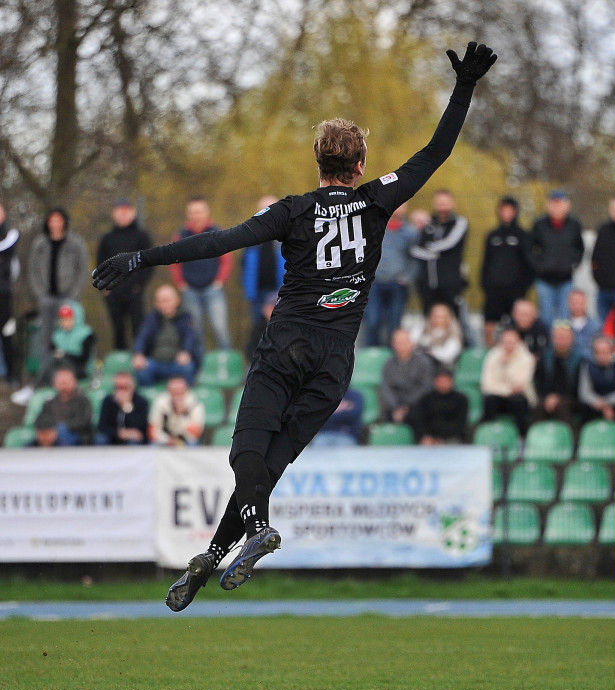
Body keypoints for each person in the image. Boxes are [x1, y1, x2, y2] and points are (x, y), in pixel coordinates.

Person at [92, 41, 496, 611]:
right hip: (335, 360)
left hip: (286, 346)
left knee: (246, 454)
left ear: (318, 163)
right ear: (358, 167)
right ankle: (215, 554)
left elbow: (220, 241)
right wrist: (464, 87)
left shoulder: (292, 210)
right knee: (272, 463)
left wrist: (144, 258)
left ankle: (244, 536)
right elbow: (434, 152)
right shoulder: (378, 200)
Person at [27, 208, 89, 385]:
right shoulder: (40, 244)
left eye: (58, 220)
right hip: (47, 298)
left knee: (69, 335)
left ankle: (71, 375)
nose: (55, 224)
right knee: (46, 338)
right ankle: (45, 376)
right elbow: (32, 270)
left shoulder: (75, 243)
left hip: (68, 298)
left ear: (64, 222)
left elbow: (82, 269)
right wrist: (40, 293)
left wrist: (74, 294)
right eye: (51, 220)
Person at [169, 197, 233, 350]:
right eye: (192, 212)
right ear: (187, 214)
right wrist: (180, 283)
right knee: (195, 332)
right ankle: (200, 368)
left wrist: (220, 281)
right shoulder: (181, 235)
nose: (196, 215)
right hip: (190, 290)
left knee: (220, 329)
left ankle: (227, 365)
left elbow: (227, 260)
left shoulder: (217, 232)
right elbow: (173, 261)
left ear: (207, 212)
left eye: (199, 211)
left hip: (213, 289)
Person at [96, 198, 153, 350]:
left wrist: (139, 285)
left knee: (138, 328)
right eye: (120, 211)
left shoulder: (142, 236)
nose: (123, 214)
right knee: (118, 330)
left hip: (134, 291)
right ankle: (120, 365)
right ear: (114, 214)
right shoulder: (107, 239)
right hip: (113, 292)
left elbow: (149, 264)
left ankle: (140, 359)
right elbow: (100, 263)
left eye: (126, 211)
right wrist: (105, 286)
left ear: (133, 213)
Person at [362, 203, 418, 347]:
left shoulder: (410, 233)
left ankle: (392, 357)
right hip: (375, 283)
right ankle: (372, 354)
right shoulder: (374, 228)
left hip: (397, 283)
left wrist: (407, 277)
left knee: (394, 323)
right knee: (372, 321)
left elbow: (415, 259)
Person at [481, 196, 533, 347]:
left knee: (517, 325)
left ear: (515, 212)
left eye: (509, 210)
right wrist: (485, 285)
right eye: (503, 210)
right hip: (494, 290)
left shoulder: (523, 236)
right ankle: (490, 353)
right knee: (489, 324)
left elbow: (528, 264)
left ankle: (517, 353)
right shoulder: (492, 235)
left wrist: (523, 288)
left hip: (515, 290)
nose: (506, 213)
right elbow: (486, 262)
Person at [529, 189, 585, 327]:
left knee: (565, 317)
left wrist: (574, 264)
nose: (556, 207)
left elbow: (580, 247)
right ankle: (547, 347)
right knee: (546, 317)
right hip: (544, 280)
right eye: (553, 203)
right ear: (548, 205)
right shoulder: (539, 225)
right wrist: (538, 266)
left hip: (566, 279)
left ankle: (563, 347)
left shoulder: (574, 225)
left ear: (567, 205)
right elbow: (530, 248)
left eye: (560, 203)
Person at [133, 284, 203, 386]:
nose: (163, 304)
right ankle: (150, 397)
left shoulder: (186, 318)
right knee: (141, 369)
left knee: (187, 367)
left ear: (177, 301)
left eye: (167, 300)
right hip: (155, 363)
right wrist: (138, 354)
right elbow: (141, 338)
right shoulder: (150, 319)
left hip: (177, 364)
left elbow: (190, 338)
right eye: (160, 301)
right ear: (156, 303)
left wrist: (186, 352)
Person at [412, 189, 468, 316]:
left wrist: (429, 249)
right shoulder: (427, 223)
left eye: (445, 203)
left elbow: (449, 243)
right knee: (429, 319)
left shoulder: (460, 222)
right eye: (439, 203)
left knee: (457, 320)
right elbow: (414, 248)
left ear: (452, 203)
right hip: (427, 284)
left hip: (451, 283)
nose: (442, 206)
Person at [481, 327, 537, 436]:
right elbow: (487, 385)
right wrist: (508, 389)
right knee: (490, 400)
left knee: (517, 400)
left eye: (512, 342)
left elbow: (520, 384)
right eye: (505, 342)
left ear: (519, 342)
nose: (508, 345)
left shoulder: (527, 358)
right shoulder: (492, 356)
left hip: (520, 398)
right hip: (499, 397)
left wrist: (505, 366)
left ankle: (522, 437)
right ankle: (487, 436)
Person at [578, 335, 615, 436]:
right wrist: (599, 403)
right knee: (583, 407)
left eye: (605, 352)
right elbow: (584, 392)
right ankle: (584, 442)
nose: (601, 356)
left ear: (612, 351)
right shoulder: (587, 366)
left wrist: (607, 403)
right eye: (598, 352)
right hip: (596, 403)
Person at [241, 195, 285, 324]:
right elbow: (243, 264)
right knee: (258, 327)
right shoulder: (250, 236)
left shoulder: (287, 234)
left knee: (281, 326)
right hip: (256, 293)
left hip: (280, 291)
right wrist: (248, 289)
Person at [380, 327, 435, 424]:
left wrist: (406, 406)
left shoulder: (423, 362)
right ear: (393, 344)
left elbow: (426, 387)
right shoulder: (388, 364)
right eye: (398, 342)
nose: (401, 345)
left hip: (418, 405)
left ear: (412, 343)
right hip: (395, 406)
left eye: (404, 341)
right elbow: (386, 387)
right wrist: (396, 407)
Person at [533, 321, 580, 426]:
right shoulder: (545, 358)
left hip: (571, 397)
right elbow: (539, 382)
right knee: (538, 408)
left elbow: (577, 386)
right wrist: (547, 397)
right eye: (558, 337)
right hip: (547, 397)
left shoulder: (579, 360)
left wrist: (559, 397)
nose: (561, 341)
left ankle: (572, 440)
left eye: (565, 338)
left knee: (562, 407)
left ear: (572, 339)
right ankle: (534, 440)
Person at [410, 367, 469, 444]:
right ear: (435, 382)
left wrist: (441, 438)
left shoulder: (461, 399)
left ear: (451, 381)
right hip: (429, 438)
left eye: (445, 381)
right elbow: (420, 420)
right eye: (440, 381)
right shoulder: (425, 399)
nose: (443, 384)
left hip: (452, 437)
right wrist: (427, 436)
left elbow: (460, 424)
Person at [37, 365, 93, 446]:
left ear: (75, 382)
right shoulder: (49, 403)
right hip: (51, 435)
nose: (63, 386)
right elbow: (41, 419)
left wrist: (59, 427)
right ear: (54, 384)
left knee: (61, 430)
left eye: (66, 382)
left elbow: (84, 422)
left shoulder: (83, 401)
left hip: (77, 436)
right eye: (60, 383)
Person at [149, 375, 205, 446]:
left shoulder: (195, 404)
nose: (177, 394)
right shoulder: (160, 402)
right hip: (164, 439)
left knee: (193, 445)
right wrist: (167, 439)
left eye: (180, 391)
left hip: (186, 440)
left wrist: (180, 414)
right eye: (174, 391)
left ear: (186, 390)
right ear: (168, 391)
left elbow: (195, 433)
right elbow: (152, 431)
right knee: (153, 446)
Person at [96, 370, 150, 445]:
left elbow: (141, 427)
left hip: (133, 438)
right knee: (101, 439)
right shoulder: (108, 401)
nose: (121, 392)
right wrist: (119, 433)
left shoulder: (141, 401)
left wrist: (127, 406)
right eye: (118, 387)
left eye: (125, 387)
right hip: (113, 436)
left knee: (134, 441)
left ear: (132, 387)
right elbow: (102, 426)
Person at [0, 202, 21, 385]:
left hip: (4, 295)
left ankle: (12, 375)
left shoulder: (11, 235)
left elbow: (7, 249)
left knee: (7, 333)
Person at [413, 302, 463, 369]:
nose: (437, 319)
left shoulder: (454, 336)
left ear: (449, 319)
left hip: (443, 370)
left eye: (441, 317)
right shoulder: (421, 331)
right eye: (435, 316)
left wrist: (431, 350)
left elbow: (447, 356)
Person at [567, 288, 602, 361]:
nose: (576, 305)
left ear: (585, 303)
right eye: (574, 302)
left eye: (579, 302)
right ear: (568, 303)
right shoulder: (562, 325)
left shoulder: (596, 324)